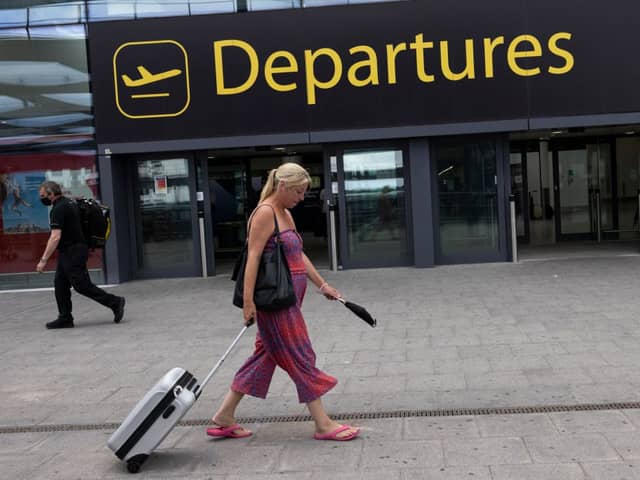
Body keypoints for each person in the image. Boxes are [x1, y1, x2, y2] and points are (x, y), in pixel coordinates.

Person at [207, 163, 360, 442]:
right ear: (282, 186)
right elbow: (253, 258)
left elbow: (297, 255)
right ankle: (323, 424)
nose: (302, 198)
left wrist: (322, 285)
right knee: (301, 355)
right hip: (275, 305)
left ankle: (224, 417)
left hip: (289, 300)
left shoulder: (285, 213)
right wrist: (248, 303)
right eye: (299, 192)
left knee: (264, 357)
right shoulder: (265, 213)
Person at [36, 181, 125, 329]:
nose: (42, 199)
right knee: (60, 284)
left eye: (43, 196)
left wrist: (43, 260)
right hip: (71, 250)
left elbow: (55, 237)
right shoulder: (69, 203)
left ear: (51, 194)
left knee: (82, 285)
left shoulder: (58, 209)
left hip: (73, 251)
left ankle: (115, 302)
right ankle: (65, 318)